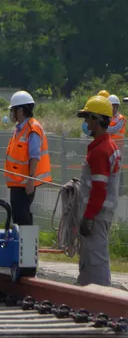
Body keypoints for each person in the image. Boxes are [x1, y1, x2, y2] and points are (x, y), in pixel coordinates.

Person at [77, 95, 123, 287]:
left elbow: (98, 190)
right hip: (100, 213)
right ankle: (84, 292)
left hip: (96, 214)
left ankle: (103, 297)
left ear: (96, 120)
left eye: (88, 118)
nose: (86, 123)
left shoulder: (100, 151)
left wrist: (88, 217)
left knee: (97, 258)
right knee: (88, 256)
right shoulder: (108, 146)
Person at [3, 90, 52, 226]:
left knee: (22, 217)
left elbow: (34, 156)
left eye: (13, 110)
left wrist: (31, 180)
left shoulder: (32, 129)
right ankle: (23, 244)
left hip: (25, 184)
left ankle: (27, 245)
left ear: (20, 110)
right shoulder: (19, 129)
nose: (11, 114)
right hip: (17, 183)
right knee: (19, 216)